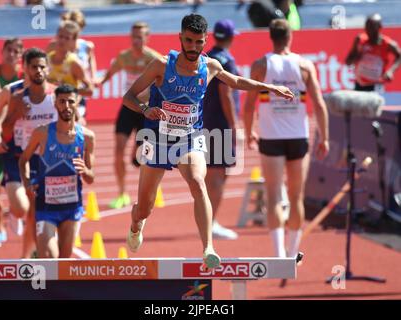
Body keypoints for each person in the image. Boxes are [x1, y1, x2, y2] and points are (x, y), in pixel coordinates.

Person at [123, 14, 294, 269]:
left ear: (205, 41)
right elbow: (129, 97)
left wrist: (268, 86)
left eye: (198, 42)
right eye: (189, 41)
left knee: (197, 181)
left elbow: (236, 81)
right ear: (180, 38)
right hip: (157, 140)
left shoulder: (211, 66)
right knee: (145, 207)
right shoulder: (161, 65)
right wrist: (146, 109)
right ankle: (136, 224)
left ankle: (208, 247)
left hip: (189, 139)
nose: (193, 47)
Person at [244, 19, 329, 259]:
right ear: (290, 36)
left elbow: (249, 105)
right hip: (298, 138)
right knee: (296, 197)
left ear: (270, 37)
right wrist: (325, 137)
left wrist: (250, 131)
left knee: (273, 196)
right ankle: (293, 253)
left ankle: (279, 254)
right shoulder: (304, 66)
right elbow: (320, 104)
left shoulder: (261, 65)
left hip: (271, 137)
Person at [19, 84, 95, 258]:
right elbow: (24, 160)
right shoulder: (42, 132)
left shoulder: (88, 137)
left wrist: (84, 170)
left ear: (77, 104)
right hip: (46, 206)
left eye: (70, 102)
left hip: (72, 207)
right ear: (55, 103)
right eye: (62, 101)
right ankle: (39, 251)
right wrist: (27, 183)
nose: (66, 106)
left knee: (64, 261)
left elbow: (91, 178)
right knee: (49, 257)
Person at [97, 22, 162, 209]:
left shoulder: (154, 59)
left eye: (140, 37)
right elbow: (109, 74)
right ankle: (122, 193)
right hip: (128, 107)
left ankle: (147, 193)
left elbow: (163, 82)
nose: (136, 40)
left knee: (143, 157)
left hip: (146, 110)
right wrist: (98, 82)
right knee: (118, 150)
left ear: (147, 38)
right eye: (134, 36)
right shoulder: (124, 57)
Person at [1, 47, 58, 258]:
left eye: (42, 67)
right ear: (25, 68)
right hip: (18, 159)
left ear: (47, 69)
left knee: (34, 212)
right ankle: (15, 218)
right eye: (34, 67)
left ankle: (27, 257)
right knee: (21, 209)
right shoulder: (16, 97)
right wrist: (16, 113)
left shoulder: (56, 97)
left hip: (43, 161)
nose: (39, 71)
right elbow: (4, 131)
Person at [0, 38, 24, 247]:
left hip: (17, 139)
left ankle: (17, 212)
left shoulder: (24, 78)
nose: (12, 54)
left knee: (24, 187)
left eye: (17, 51)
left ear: (21, 55)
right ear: (2, 51)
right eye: (9, 50)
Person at [203, 19, 240, 240]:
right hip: (220, 123)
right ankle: (211, 222)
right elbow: (226, 94)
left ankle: (209, 219)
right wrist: (234, 125)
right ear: (231, 37)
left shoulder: (206, 56)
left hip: (207, 120)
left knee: (215, 173)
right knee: (218, 174)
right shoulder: (225, 60)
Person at [47, 9, 98, 120]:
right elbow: (46, 66)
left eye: (77, 26)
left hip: (77, 90)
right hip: (54, 95)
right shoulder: (54, 46)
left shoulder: (86, 47)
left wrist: (93, 77)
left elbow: (91, 60)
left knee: (76, 122)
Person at [345, 13, 401, 92]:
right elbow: (348, 61)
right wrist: (357, 55)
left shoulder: (387, 44)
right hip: (360, 83)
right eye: (367, 27)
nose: (369, 31)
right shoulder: (360, 40)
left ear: (379, 27)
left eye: (372, 27)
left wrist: (391, 71)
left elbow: (399, 56)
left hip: (376, 84)